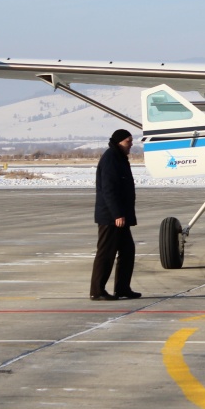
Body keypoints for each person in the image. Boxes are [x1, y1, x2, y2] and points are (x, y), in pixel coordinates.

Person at [89, 129, 142, 301]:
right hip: (111, 217)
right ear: (119, 141)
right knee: (106, 253)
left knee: (127, 251)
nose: (131, 144)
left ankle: (122, 288)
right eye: (128, 141)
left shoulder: (119, 157)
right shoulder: (111, 158)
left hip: (120, 216)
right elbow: (108, 190)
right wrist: (117, 214)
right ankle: (97, 291)